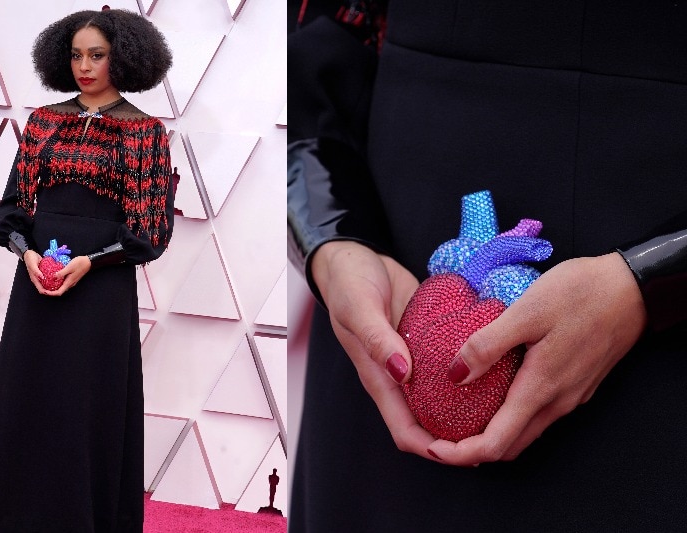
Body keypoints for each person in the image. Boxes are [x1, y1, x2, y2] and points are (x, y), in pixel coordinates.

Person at [288, 0, 687, 531]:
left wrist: (653, 276)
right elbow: (319, 35)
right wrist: (333, 236)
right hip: (388, 275)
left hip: (658, 321)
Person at [0, 8, 174, 532]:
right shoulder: (43, 121)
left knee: (86, 409)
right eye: (77, 55)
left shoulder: (146, 133)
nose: (85, 66)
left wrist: (89, 262)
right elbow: (12, 211)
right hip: (37, 282)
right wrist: (29, 256)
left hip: (100, 289)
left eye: (97, 55)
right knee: (26, 398)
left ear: (123, 58)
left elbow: (151, 232)